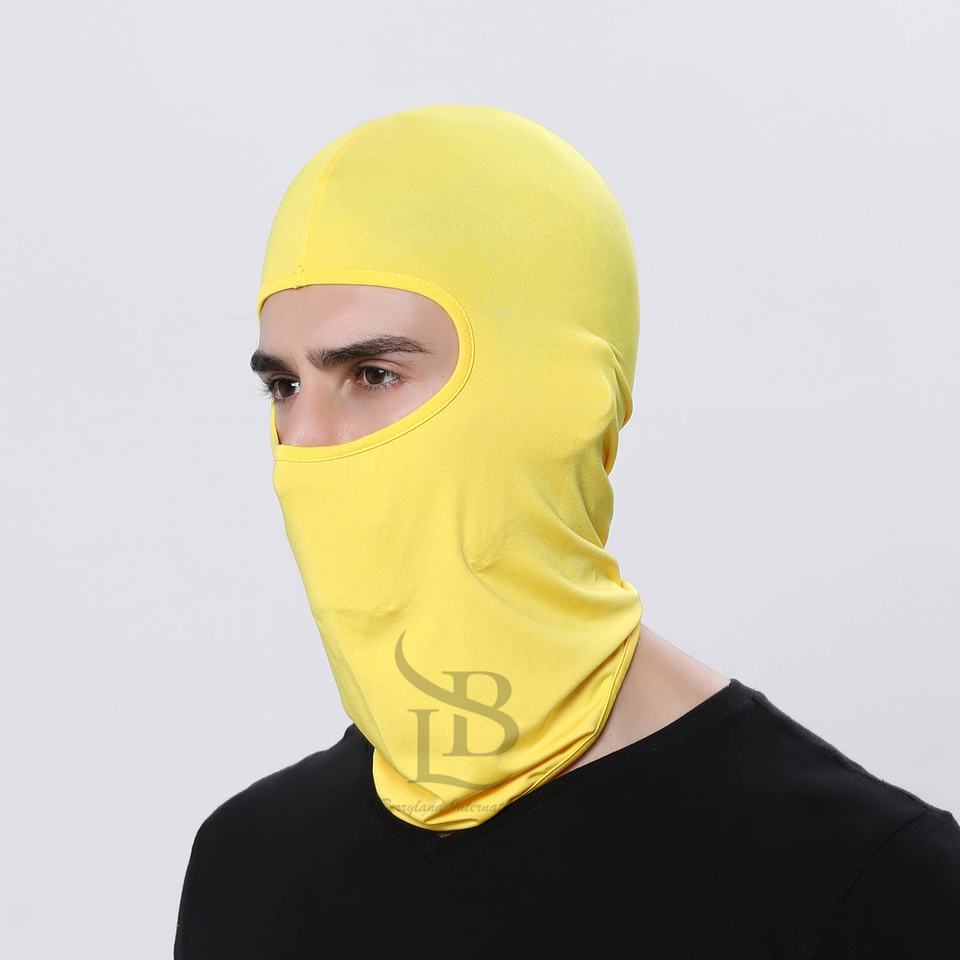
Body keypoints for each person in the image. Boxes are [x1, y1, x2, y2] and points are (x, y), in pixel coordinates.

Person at [174, 104, 960, 958]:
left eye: (372, 373)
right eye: (283, 387)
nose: (306, 444)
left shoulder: (871, 885)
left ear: (566, 399)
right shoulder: (245, 865)